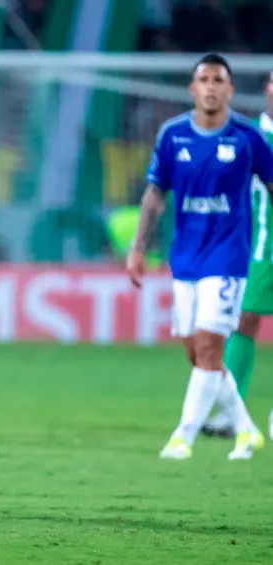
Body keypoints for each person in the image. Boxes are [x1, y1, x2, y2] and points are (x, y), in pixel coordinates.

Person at [127, 53, 273, 461]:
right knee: (198, 354)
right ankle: (246, 430)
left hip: (228, 257)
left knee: (210, 347)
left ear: (230, 89)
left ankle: (182, 437)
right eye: (203, 79)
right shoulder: (173, 135)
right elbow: (155, 193)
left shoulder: (248, 137)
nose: (210, 86)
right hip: (185, 259)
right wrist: (138, 247)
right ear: (192, 89)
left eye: (218, 79)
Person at [202, 70, 273, 439]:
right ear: (268, 89)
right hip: (262, 246)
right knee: (244, 319)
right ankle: (232, 410)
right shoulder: (249, 138)